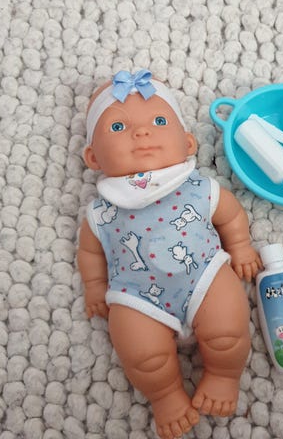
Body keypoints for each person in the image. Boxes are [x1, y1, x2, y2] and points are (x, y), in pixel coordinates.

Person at [77, 69, 262, 439]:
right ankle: (165, 397)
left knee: (228, 331)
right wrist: (95, 286)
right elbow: (89, 251)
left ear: (188, 142)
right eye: (118, 127)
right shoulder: (101, 212)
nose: (141, 133)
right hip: (135, 296)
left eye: (159, 122)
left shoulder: (198, 188)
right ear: (93, 157)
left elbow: (230, 215)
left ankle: (223, 375)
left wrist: (240, 246)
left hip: (205, 276)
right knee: (143, 356)